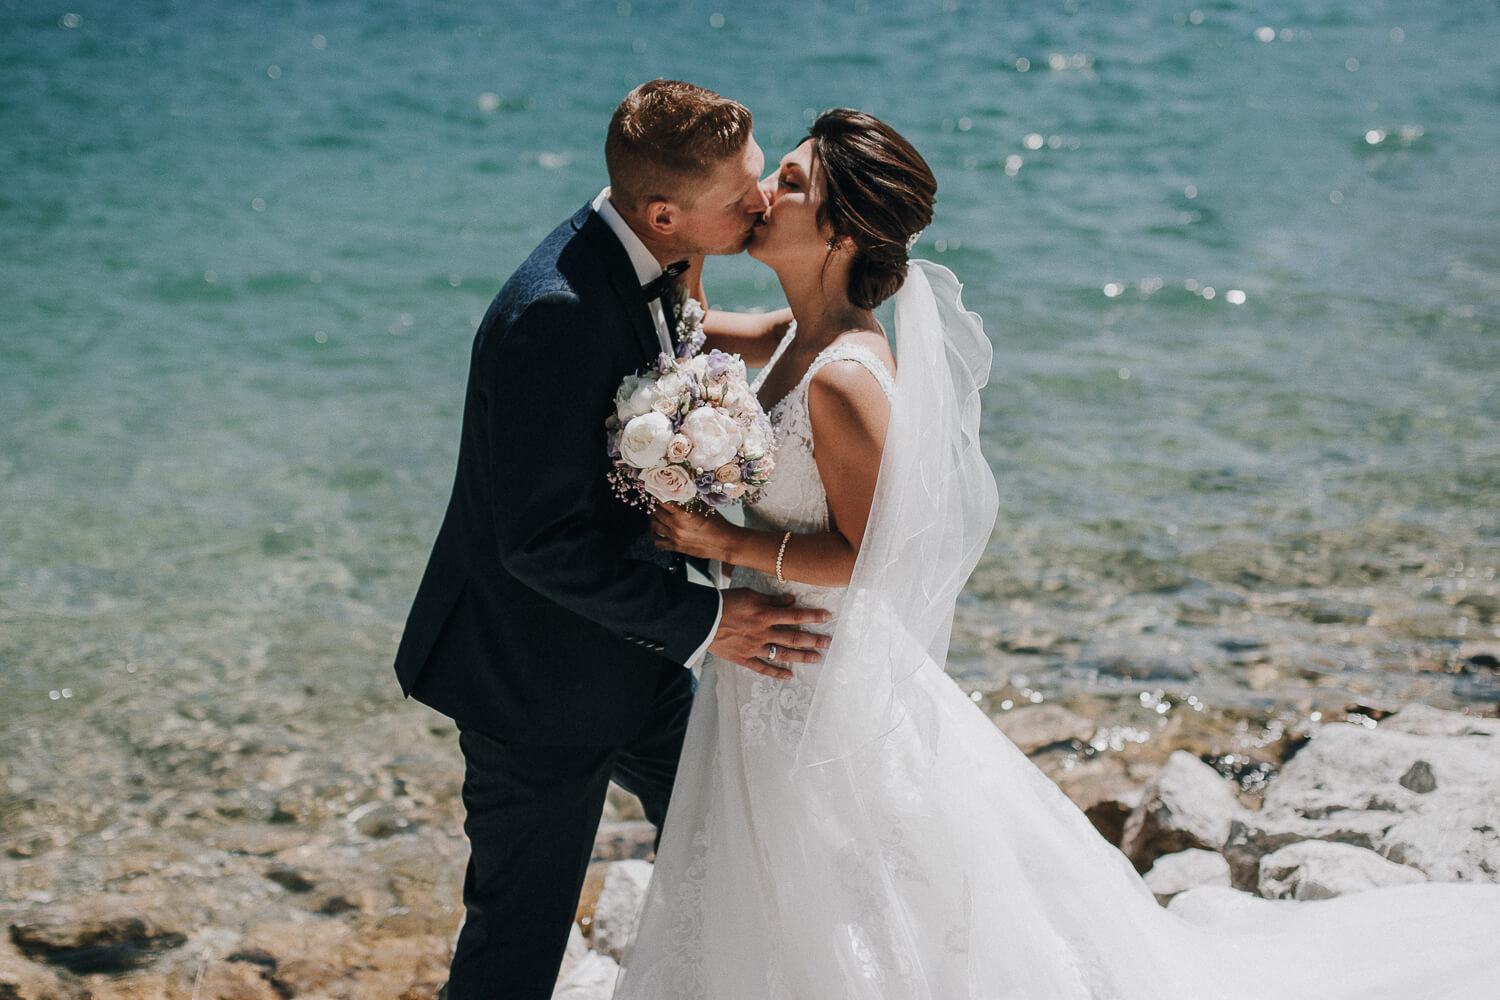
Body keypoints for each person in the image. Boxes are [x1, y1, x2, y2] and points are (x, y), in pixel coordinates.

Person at [614, 108, 1500, 998]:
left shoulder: (844, 379)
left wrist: (726, 541)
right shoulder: (788, 334)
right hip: (766, 666)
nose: (769, 194)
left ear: (841, 232)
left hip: (815, 674)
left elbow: (875, 557)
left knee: (845, 897)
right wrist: (672, 218)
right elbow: (681, 321)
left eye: (793, 184)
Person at [390, 80, 831, 999]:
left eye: (760, 177)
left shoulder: (648, 252)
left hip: (634, 661)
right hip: (534, 684)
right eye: (741, 193)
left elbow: (690, 341)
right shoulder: (551, 311)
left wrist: (830, 320)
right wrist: (713, 623)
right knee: (519, 941)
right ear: (665, 211)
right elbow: (538, 544)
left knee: (738, 847)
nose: (759, 202)